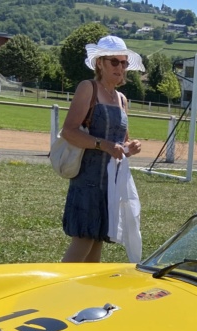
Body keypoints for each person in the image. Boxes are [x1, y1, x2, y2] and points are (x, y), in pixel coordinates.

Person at [60, 36, 144, 263]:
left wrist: (130, 147)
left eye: (124, 63)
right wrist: (102, 145)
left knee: (97, 241)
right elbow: (68, 131)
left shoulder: (122, 99)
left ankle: (86, 295)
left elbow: (121, 142)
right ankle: (57, 293)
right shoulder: (88, 88)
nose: (120, 68)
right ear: (100, 63)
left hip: (111, 183)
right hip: (87, 180)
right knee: (84, 239)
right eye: (114, 62)